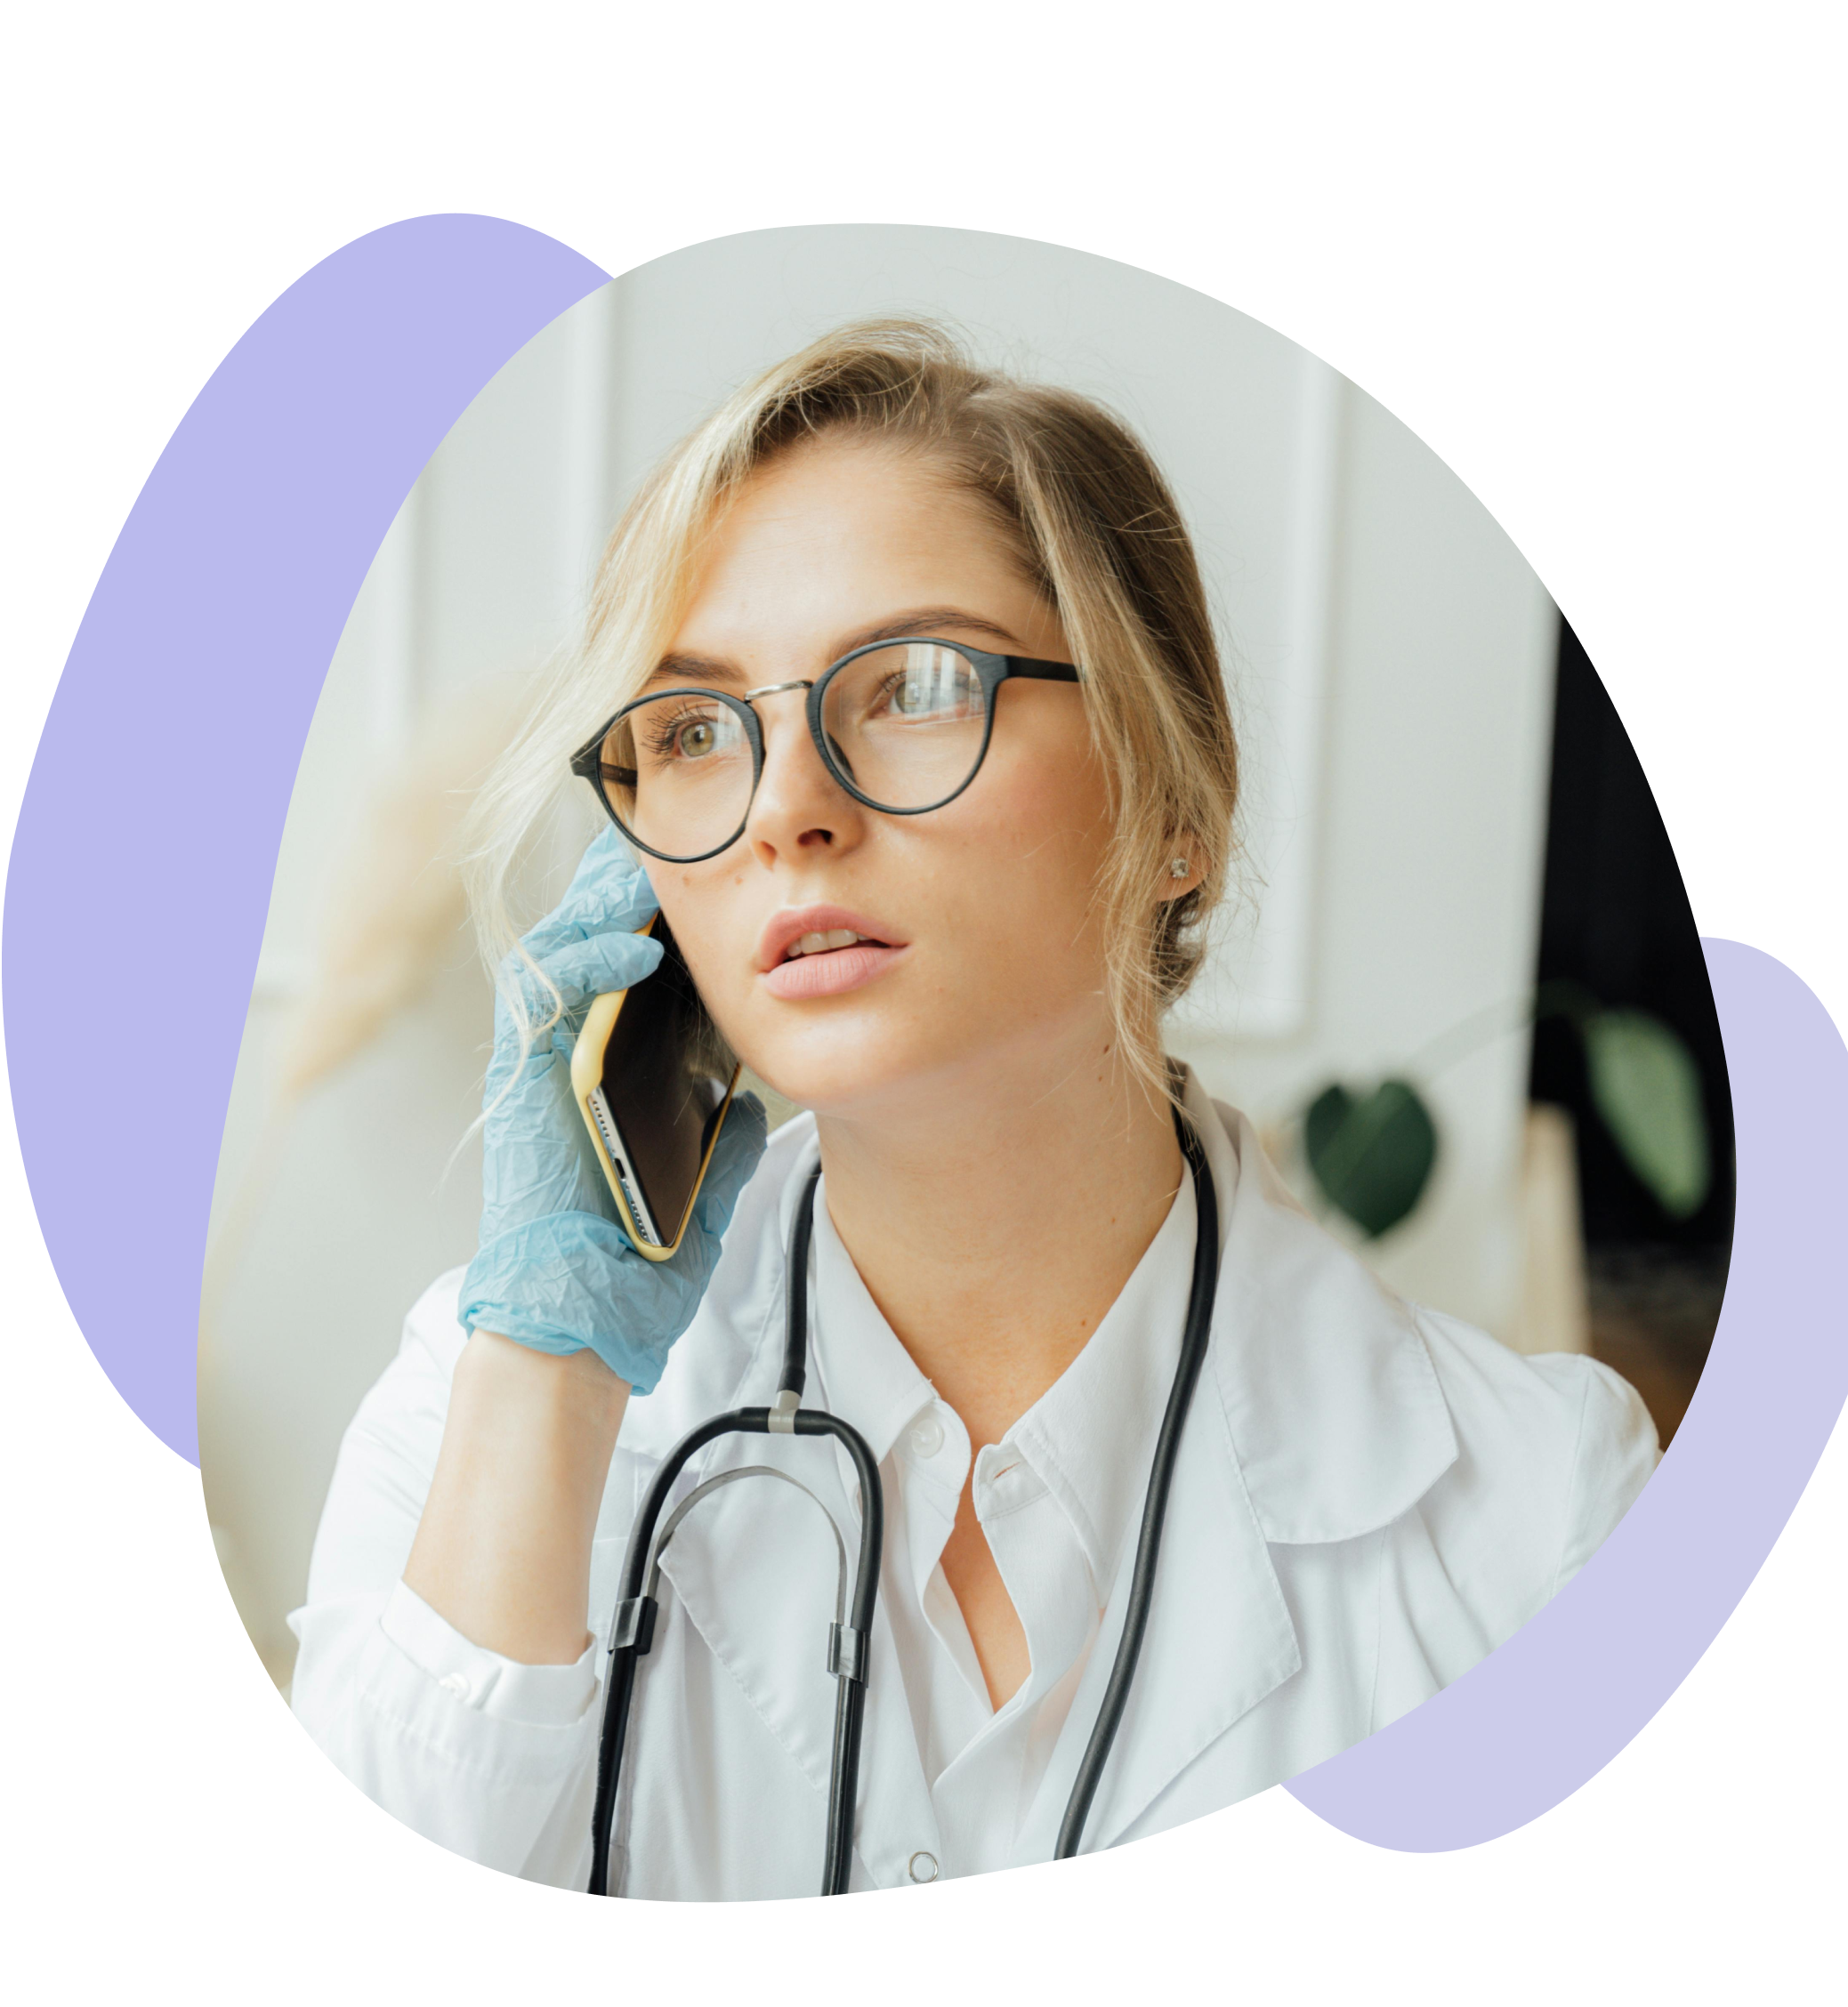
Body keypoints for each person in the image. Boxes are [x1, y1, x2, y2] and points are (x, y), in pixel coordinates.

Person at [289, 319, 1658, 1898]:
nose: (787, 806)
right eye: (690, 731)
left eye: (915, 686)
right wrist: (546, 1378)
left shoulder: (1542, 1522)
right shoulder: (470, 1421)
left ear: (1175, 806)